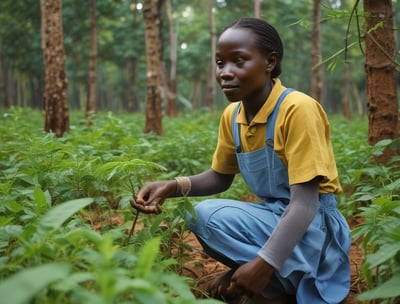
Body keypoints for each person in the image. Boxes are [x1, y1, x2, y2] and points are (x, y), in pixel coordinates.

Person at [132, 17, 351, 304]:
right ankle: (272, 285)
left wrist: (263, 265)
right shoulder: (233, 115)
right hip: (274, 218)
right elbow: (220, 177)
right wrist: (171, 186)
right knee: (201, 216)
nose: (225, 72)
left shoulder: (297, 109)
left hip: (313, 229)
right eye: (220, 63)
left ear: (270, 62)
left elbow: (305, 205)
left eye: (239, 61)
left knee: (210, 215)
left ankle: (271, 280)